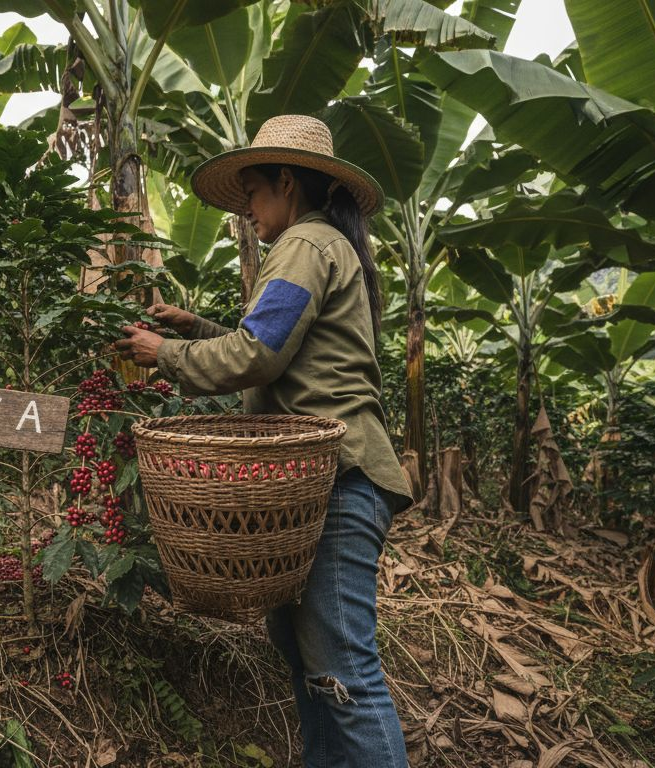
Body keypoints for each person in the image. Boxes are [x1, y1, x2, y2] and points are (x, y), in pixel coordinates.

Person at [114, 114, 413, 767]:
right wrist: (195, 325)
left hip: (338, 479)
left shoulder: (305, 243)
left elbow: (259, 355)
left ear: (286, 182)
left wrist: (163, 352)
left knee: (346, 674)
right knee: (312, 664)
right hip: (318, 483)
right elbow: (285, 349)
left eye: (253, 193)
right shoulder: (327, 241)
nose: (247, 211)